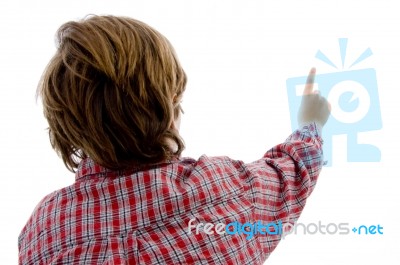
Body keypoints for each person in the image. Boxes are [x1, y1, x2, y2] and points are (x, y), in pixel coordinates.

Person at [18, 15, 330, 264]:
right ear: (166, 102)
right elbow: (291, 172)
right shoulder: (226, 190)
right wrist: (311, 123)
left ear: (68, 123)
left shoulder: (43, 231)